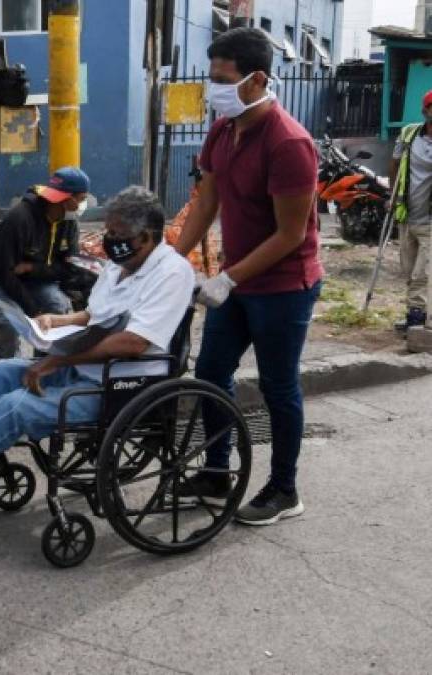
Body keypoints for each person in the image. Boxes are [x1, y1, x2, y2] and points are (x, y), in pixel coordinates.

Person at [0, 187, 193, 502]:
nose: (110, 240)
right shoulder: (119, 267)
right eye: (108, 231)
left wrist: (59, 360)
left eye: (118, 233)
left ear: (145, 237)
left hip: (119, 388)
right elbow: (95, 316)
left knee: (16, 406)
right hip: (84, 370)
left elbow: (134, 342)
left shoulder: (172, 273)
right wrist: (55, 322)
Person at [174, 28, 322, 526]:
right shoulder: (223, 128)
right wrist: (172, 261)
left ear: (257, 80)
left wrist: (228, 279)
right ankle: (217, 473)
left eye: (223, 79)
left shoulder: (289, 144)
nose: (214, 88)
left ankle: (285, 489)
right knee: (211, 374)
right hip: (236, 281)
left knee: (279, 387)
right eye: (211, 78)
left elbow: (289, 234)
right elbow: (206, 202)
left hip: (283, 286)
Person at [0, 167, 89, 358]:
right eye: (81, 198)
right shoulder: (19, 219)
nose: (82, 205)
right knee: (10, 319)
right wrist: (33, 311)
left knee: (58, 307)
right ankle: (8, 361)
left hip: (36, 279)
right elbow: (3, 271)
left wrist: (32, 268)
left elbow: (68, 268)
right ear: (66, 198)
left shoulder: (69, 223)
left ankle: (41, 362)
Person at [389, 91, 432, 333]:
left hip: (430, 220)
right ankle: (414, 314)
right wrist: (393, 197)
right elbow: (394, 162)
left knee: (422, 273)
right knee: (408, 270)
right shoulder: (409, 134)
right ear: (425, 111)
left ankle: (418, 319)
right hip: (407, 215)